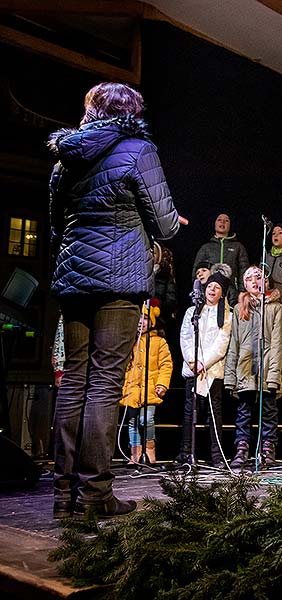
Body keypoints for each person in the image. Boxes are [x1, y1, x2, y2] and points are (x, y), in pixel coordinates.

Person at [48, 81, 182, 518]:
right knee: (105, 383)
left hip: (73, 277)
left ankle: (64, 496)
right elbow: (165, 226)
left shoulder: (65, 156)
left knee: (74, 382)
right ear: (131, 113)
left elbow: (54, 224)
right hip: (119, 278)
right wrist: (167, 219)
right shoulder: (138, 151)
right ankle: (95, 495)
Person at [225, 265, 282, 470]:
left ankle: (268, 449)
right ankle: (242, 449)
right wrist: (230, 377)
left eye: (258, 277)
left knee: (268, 411)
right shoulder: (239, 308)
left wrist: (273, 376)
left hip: (267, 366)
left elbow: (277, 344)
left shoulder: (275, 308)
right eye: (249, 278)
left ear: (266, 281)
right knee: (244, 412)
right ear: (244, 284)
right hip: (245, 369)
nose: (254, 281)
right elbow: (234, 343)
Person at [175, 269, 232, 469]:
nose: (212, 290)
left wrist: (204, 363)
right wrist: (193, 361)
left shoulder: (226, 315)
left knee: (213, 413)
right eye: (210, 286)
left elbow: (221, 343)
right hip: (193, 368)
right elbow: (186, 337)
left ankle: (217, 456)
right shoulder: (192, 312)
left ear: (222, 293)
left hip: (212, 370)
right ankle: (186, 453)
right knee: (189, 412)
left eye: (217, 287)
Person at [120, 303, 172, 465]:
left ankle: (150, 448)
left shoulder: (159, 342)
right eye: (139, 318)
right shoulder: (128, 342)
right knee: (132, 421)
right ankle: (135, 452)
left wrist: (162, 384)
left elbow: (166, 365)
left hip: (150, 388)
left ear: (152, 322)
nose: (141, 322)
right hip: (131, 389)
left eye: (145, 319)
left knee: (146, 419)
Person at [193, 213, 250, 306]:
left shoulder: (238, 247)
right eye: (219, 219)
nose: (223, 222)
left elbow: (244, 270)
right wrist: (199, 289)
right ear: (215, 224)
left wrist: (242, 292)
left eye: (226, 220)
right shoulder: (206, 247)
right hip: (209, 292)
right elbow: (196, 271)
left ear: (230, 225)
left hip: (231, 293)